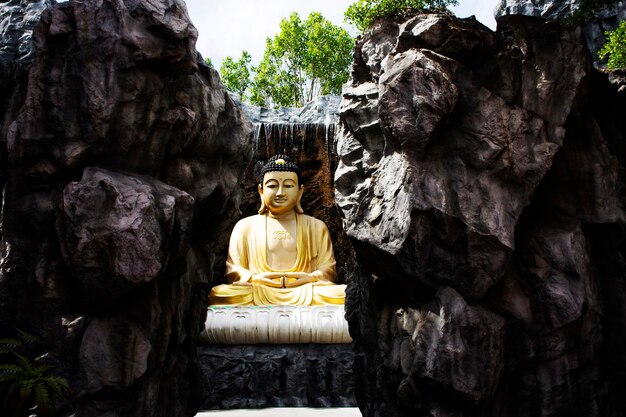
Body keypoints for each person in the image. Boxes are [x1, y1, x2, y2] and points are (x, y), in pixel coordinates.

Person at [209, 155, 346, 306]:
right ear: (261, 191)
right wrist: (253, 278)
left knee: (341, 294)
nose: (280, 192)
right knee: (219, 293)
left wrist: (310, 278)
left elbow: (329, 270)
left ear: (300, 192)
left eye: (288, 186)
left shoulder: (316, 227)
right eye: (272, 186)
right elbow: (233, 270)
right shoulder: (245, 226)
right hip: (258, 290)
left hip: (305, 291)